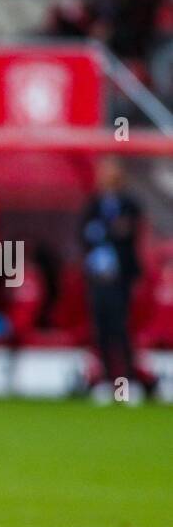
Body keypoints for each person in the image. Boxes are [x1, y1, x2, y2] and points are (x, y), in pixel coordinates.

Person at [81, 157, 146, 397]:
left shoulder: (129, 204)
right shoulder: (94, 203)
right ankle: (107, 382)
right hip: (98, 278)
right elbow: (86, 234)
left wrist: (103, 231)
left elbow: (127, 233)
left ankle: (129, 382)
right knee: (102, 330)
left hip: (121, 278)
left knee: (121, 329)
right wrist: (110, 231)